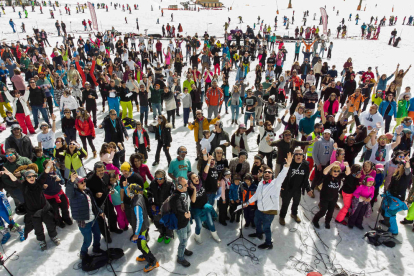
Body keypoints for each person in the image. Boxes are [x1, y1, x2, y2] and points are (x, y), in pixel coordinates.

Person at [243, 153, 292, 249]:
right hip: (259, 209)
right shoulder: (261, 183)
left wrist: (287, 165)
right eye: (265, 172)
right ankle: (258, 233)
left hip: (269, 212)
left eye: (269, 172)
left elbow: (282, 175)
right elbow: (256, 195)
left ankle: (268, 243)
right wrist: (247, 202)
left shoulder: (275, 184)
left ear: (272, 175)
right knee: (257, 222)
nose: (267, 173)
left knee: (266, 228)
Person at [22, 160, 61, 250]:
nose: (31, 178)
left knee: (50, 224)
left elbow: (44, 174)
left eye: (33, 176)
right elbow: (15, 181)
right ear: (26, 178)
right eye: (29, 177)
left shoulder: (39, 183)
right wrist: (9, 174)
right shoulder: (24, 186)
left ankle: (53, 236)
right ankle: (41, 240)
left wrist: (49, 166)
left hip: (44, 209)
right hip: (33, 212)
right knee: (38, 228)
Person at [67, 172, 105, 259]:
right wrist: (71, 181)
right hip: (84, 221)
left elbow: (93, 203)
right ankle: (83, 253)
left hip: (93, 218)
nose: (84, 183)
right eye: (81, 182)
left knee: (97, 234)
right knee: (88, 239)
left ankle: (96, 248)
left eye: (84, 181)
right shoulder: (74, 194)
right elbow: (68, 192)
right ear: (76, 185)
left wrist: (99, 211)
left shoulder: (87, 191)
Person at [128, 184, 159, 272]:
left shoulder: (136, 205)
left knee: (141, 246)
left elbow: (139, 220)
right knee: (142, 244)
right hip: (144, 226)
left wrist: (136, 234)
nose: (127, 191)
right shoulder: (139, 196)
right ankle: (146, 255)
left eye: (128, 190)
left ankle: (153, 261)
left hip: (141, 229)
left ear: (132, 192)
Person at [279, 147, 313, 225]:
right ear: (294, 156)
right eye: (296, 154)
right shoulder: (288, 163)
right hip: (287, 188)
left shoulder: (305, 165)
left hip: (297, 189)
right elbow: (282, 176)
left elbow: (305, 179)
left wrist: (308, 189)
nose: (298, 156)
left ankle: (294, 214)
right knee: (285, 204)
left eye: (300, 154)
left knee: (296, 203)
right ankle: (282, 216)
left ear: (303, 156)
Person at [312, 161, 351, 229]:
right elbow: (325, 171)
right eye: (334, 171)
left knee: (330, 211)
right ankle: (315, 219)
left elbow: (348, 172)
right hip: (324, 197)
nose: (336, 172)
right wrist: (332, 164)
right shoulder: (327, 176)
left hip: (334, 198)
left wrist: (347, 166)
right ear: (331, 171)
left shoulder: (339, 176)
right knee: (323, 211)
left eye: (338, 171)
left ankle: (327, 222)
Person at [170, 177, 196, 267]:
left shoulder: (183, 192)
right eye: (185, 185)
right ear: (178, 186)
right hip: (180, 223)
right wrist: (185, 213)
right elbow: (178, 208)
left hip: (186, 220)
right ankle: (180, 258)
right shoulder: (175, 197)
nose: (187, 186)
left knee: (189, 233)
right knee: (183, 241)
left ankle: (183, 249)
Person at [148, 170, 174, 243]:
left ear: (164, 177)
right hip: (156, 207)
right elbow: (149, 194)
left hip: (167, 208)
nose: (158, 180)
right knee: (157, 222)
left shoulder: (170, 184)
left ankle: (168, 234)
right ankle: (162, 233)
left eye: (161, 178)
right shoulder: (153, 183)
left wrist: (165, 208)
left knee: (168, 222)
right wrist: (152, 204)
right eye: (157, 178)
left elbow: (173, 198)